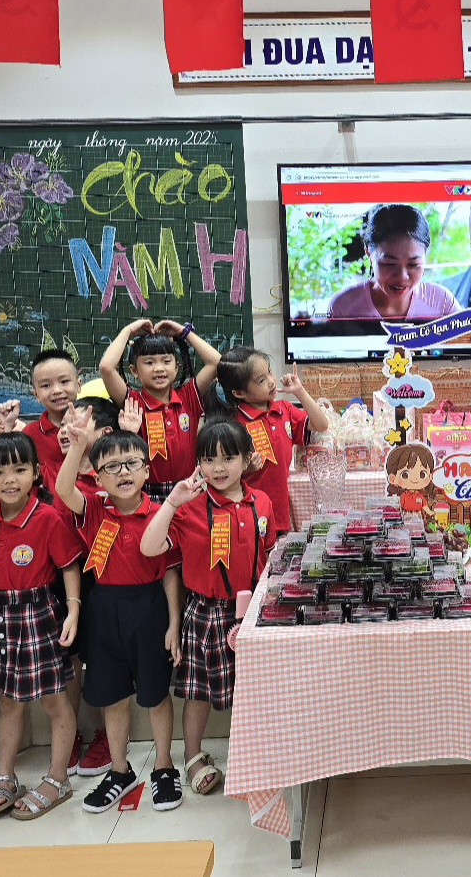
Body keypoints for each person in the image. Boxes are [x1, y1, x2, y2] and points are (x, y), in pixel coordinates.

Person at [0, 433, 84, 819]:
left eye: (19, 469)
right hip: (0, 614)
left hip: (39, 612)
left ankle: (58, 778)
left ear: (36, 473)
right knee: (8, 702)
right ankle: (6, 776)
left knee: (55, 700)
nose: (9, 480)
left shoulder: (47, 517)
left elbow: (69, 566)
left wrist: (73, 610)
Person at [55, 425, 184, 813]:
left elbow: (171, 573)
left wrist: (173, 623)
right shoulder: (94, 509)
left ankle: (164, 766)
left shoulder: (161, 514)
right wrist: (78, 447)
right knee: (112, 696)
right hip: (104, 609)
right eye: (112, 466)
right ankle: (120, 769)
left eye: (132, 463)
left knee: (156, 693)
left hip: (150, 608)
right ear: (97, 477)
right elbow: (63, 489)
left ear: (146, 470)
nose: (123, 472)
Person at [141, 421, 271, 798]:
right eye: (209, 459)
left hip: (253, 611)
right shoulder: (190, 508)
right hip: (206, 611)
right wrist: (171, 502)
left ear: (247, 459)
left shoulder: (261, 501)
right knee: (198, 690)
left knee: (253, 688)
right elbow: (149, 548)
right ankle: (193, 755)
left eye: (228, 458)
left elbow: (269, 552)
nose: (218, 468)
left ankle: (254, 754)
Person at [207, 346, 330, 537]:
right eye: (261, 380)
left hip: (280, 513)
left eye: (270, 372)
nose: (271, 381)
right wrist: (245, 469)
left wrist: (299, 391)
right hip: (248, 517)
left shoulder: (283, 410)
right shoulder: (234, 426)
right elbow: (218, 475)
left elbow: (321, 424)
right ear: (239, 393)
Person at [98, 318, 223, 502]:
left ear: (176, 367)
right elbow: (106, 367)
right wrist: (128, 331)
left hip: (190, 489)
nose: (159, 368)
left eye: (166, 361)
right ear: (134, 371)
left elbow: (217, 362)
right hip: (148, 494)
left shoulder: (188, 397)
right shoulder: (133, 401)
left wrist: (183, 332)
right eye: (149, 363)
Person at [327, 205, 458, 321]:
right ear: (368, 252)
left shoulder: (443, 305)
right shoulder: (343, 309)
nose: (402, 277)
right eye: (389, 264)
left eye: (413, 264)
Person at [19, 349, 84, 489]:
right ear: (36, 395)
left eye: (64, 381)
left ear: (79, 384)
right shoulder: (30, 435)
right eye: (46, 385)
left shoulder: (94, 424)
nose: (56, 390)